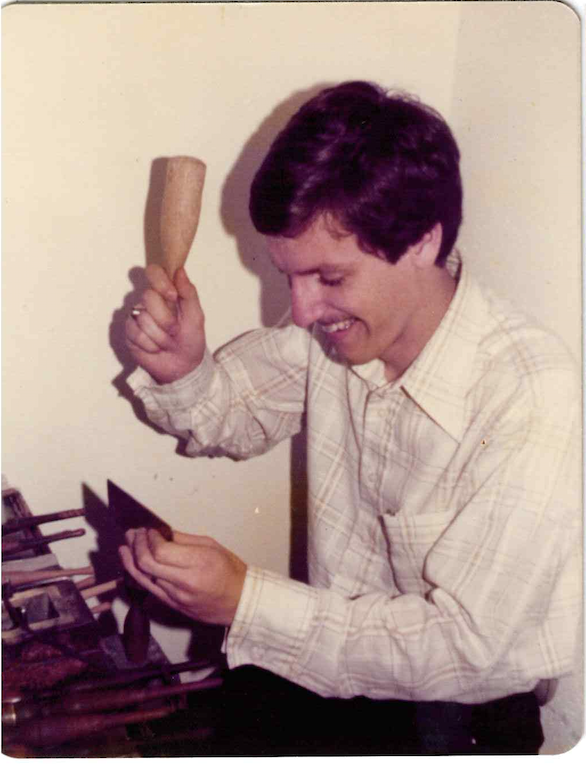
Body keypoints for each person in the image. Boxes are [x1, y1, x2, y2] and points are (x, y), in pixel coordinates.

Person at [119, 81, 581, 754]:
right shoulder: (336, 331)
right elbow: (228, 416)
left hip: (460, 710)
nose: (302, 312)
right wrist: (183, 368)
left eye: (329, 279)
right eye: (289, 279)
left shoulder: (529, 391)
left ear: (423, 241)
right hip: (334, 665)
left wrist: (247, 601)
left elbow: (474, 650)